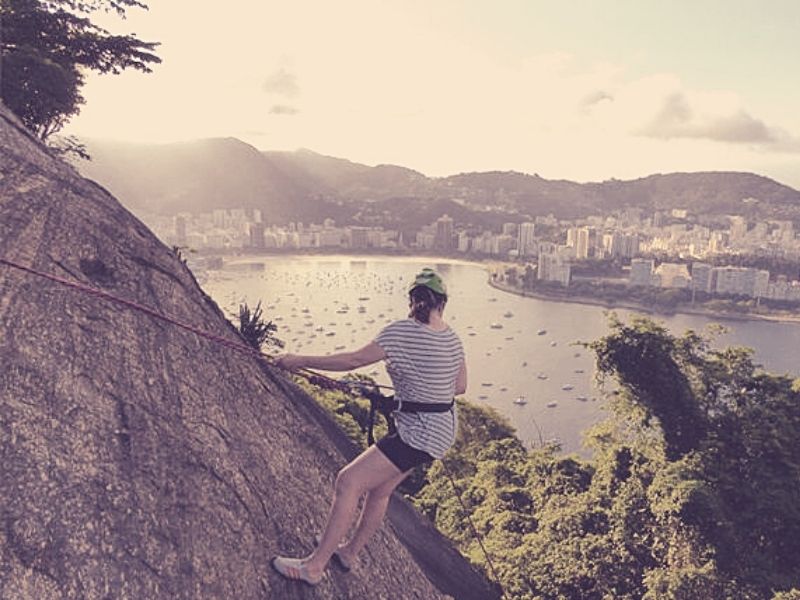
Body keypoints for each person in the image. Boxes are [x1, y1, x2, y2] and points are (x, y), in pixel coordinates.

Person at [271, 268, 467, 585]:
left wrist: (298, 360)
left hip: (417, 434)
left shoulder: (401, 331)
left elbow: (352, 362)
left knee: (348, 482)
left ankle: (314, 566)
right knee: (381, 490)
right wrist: (418, 390)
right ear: (441, 304)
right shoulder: (452, 338)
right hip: (442, 430)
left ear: (412, 300)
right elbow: (460, 387)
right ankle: (348, 554)